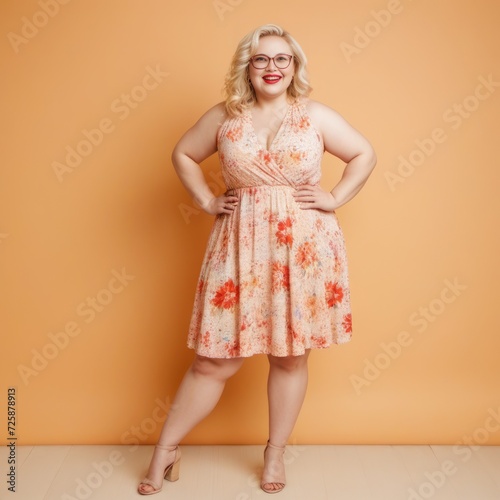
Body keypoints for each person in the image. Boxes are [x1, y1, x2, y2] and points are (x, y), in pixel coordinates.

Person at [138, 23, 376, 496]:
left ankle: (275, 453)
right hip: (239, 246)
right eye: (262, 59)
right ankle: (166, 450)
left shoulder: (315, 115)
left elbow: (364, 154)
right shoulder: (226, 115)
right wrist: (207, 200)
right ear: (248, 66)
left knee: (289, 358)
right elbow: (183, 153)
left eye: (281, 59)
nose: (272, 67)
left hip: (303, 248)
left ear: (294, 66)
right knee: (212, 361)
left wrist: (335, 197)